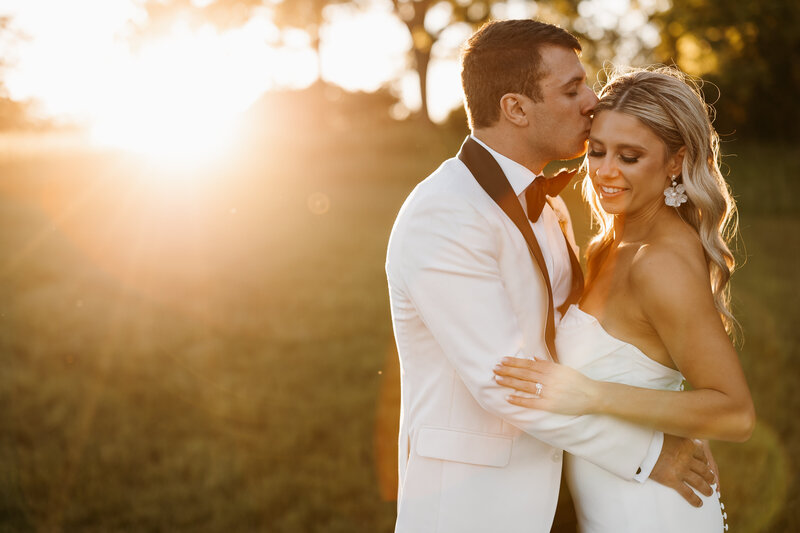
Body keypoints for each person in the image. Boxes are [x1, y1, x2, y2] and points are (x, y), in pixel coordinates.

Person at [386, 20, 714, 533]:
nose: (592, 101)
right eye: (572, 89)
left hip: (569, 494)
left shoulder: (549, 206)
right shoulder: (443, 214)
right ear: (515, 108)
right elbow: (508, 383)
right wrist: (649, 453)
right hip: (476, 509)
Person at [493, 66, 755, 531]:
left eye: (630, 156)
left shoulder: (660, 263)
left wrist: (592, 395)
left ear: (675, 162)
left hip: (651, 511)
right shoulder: (610, 246)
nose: (605, 171)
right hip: (611, 502)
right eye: (597, 151)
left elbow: (735, 412)